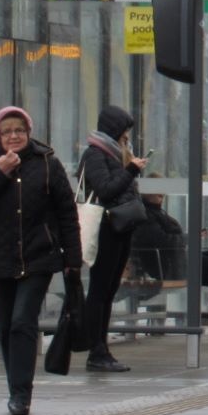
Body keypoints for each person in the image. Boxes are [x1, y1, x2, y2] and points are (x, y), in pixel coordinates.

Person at [0, 105, 82, 415]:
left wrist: (73, 257)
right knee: (5, 326)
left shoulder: (47, 164)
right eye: (7, 132)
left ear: (28, 133)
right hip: (1, 260)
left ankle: (22, 393)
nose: (13, 136)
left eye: (19, 131)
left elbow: (66, 213)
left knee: (22, 321)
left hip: (38, 258)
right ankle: (13, 386)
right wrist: (0, 173)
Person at [77, 104, 147, 373]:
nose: (127, 137)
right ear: (114, 130)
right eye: (124, 132)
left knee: (108, 291)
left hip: (120, 229)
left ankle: (101, 347)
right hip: (105, 229)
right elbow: (105, 190)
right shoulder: (96, 154)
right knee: (99, 290)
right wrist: (130, 170)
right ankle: (96, 349)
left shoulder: (116, 154)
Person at [132, 193, 186, 283]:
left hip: (174, 262)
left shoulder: (157, 211)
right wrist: (189, 238)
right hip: (164, 265)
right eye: (156, 189)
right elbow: (162, 240)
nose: (161, 193)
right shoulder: (146, 214)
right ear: (146, 193)